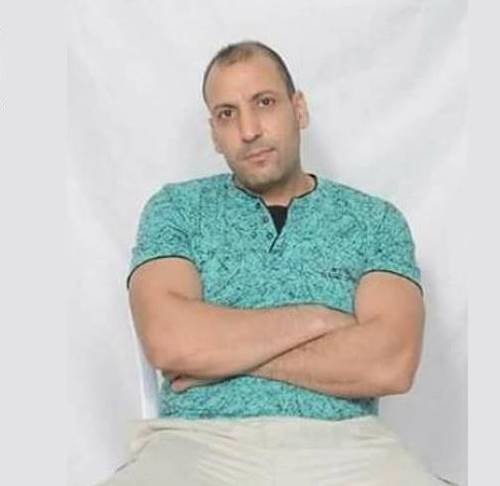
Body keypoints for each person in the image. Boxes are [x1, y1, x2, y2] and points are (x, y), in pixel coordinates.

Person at [99, 40, 455, 486]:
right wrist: (319, 319)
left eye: (264, 103)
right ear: (214, 133)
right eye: (227, 114)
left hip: (346, 444)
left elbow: (391, 362)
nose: (248, 130)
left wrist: (219, 355)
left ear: (298, 109)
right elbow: (170, 342)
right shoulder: (177, 209)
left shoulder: (374, 221)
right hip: (196, 442)